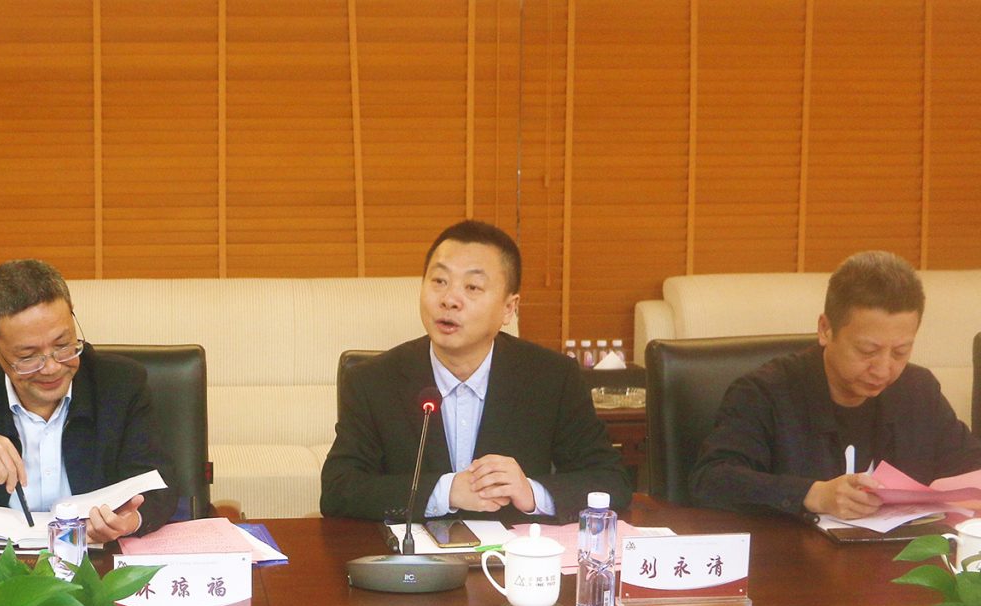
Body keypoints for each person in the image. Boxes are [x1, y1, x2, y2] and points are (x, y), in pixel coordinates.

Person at [321, 220, 631, 523]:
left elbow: (611, 480)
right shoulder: (373, 381)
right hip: (410, 555)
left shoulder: (552, 377)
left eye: (472, 287)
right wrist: (445, 492)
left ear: (509, 308)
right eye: (439, 281)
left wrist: (531, 493)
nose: (449, 300)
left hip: (513, 553)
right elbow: (338, 490)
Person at [690, 250, 981, 519]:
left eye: (900, 352)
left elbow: (971, 466)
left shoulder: (918, 391)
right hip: (794, 554)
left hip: (898, 554)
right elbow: (711, 480)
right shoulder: (763, 393)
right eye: (867, 351)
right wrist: (812, 494)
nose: (883, 369)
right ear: (825, 329)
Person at [0, 259, 177, 541]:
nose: (51, 368)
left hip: (92, 555)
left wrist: (130, 520)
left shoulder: (121, 384)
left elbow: (157, 482)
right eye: (28, 356)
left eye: (63, 345)